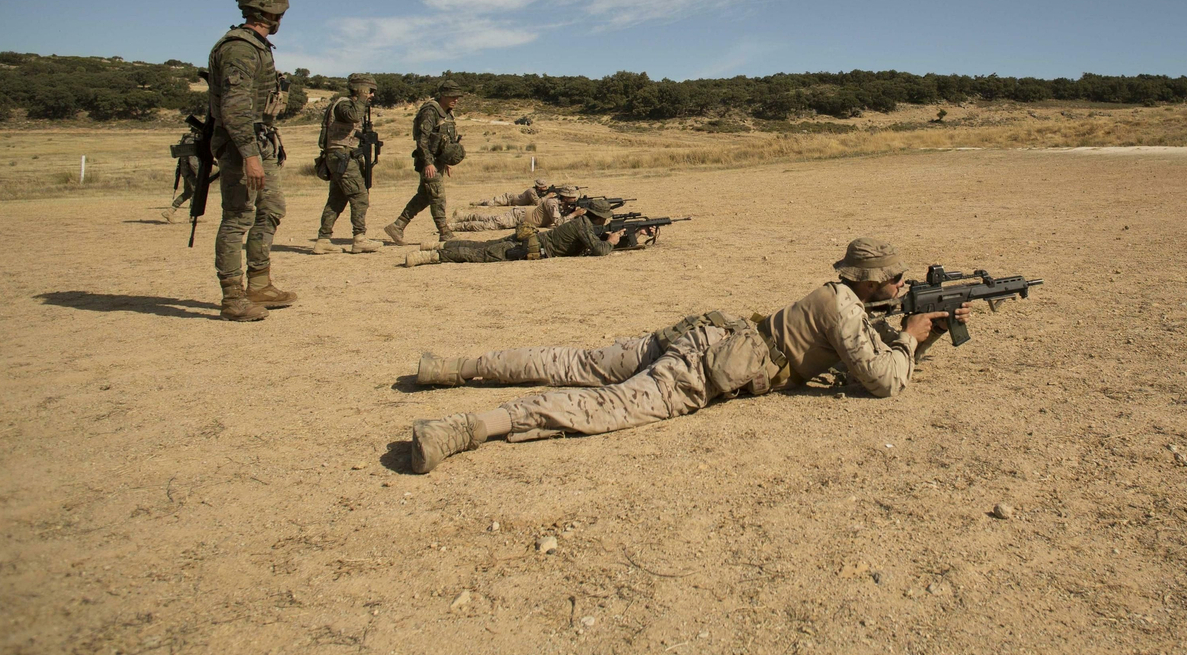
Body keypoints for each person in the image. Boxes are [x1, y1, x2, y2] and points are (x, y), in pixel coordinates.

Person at [404, 238, 976, 472]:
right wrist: (912, 338)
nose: (900, 285)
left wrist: (913, 330)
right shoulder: (846, 310)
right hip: (699, 368)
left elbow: (862, 352)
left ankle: (450, 368)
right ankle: (465, 428)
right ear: (870, 281)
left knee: (574, 362)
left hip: (701, 335)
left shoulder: (837, 298)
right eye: (894, 279)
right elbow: (881, 380)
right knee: (606, 406)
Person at [207, 0, 296, 321]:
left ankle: (259, 283)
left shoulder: (258, 47)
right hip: (242, 145)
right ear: (268, 12)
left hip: (261, 140)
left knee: (270, 208)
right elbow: (235, 108)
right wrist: (249, 155)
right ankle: (232, 297)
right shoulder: (240, 48)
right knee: (238, 217)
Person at [401, 196, 640, 266]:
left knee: (482, 245)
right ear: (599, 217)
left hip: (530, 238)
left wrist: (634, 235)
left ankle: (439, 245)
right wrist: (611, 240)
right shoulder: (583, 226)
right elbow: (598, 250)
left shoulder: (583, 223)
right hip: (529, 247)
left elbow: (593, 241)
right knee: (481, 254)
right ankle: (432, 255)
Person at [384, 80, 465, 245]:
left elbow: (445, 141)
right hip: (429, 162)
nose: (455, 100)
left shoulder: (447, 113)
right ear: (443, 95)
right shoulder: (430, 111)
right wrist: (428, 162)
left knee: (424, 197)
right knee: (437, 196)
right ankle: (444, 232)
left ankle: (398, 226)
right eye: (452, 96)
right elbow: (422, 140)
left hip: (438, 162)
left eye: (457, 97)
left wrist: (446, 162)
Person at [311, 73, 383, 255]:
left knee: (337, 199)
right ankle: (359, 238)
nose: (372, 95)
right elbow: (352, 116)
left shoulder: (350, 105)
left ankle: (323, 240)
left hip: (341, 156)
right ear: (361, 89)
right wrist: (362, 99)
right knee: (360, 196)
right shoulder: (344, 105)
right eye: (370, 91)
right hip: (341, 157)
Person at [451, 187, 577, 233]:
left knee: (491, 219)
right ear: (565, 198)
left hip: (520, 215)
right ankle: (455, 226)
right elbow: (558, 222)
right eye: (572, 198)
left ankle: (462, 216)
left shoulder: (560, 204)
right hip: (518, 217)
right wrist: (575, 214)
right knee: (489, 225)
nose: (574, 199)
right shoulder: (552, 203)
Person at [163, 124, 218, 222]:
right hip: (190, 172)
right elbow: (192, 160)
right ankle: (193, 216)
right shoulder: (192, 141)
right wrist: (199, 174)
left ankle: (170, 211)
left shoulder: (187, 139)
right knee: (196, 192)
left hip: (186, 171)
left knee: (188, 192)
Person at [473, 178, 557, 207]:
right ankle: (478, 203)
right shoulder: (531, 191)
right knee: (490, 203)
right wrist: (548, 196)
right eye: (544, 187)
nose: (545, 188)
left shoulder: (538, 192)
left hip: (512, 201)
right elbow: (537, 202)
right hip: (509, 199)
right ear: (539, 187)